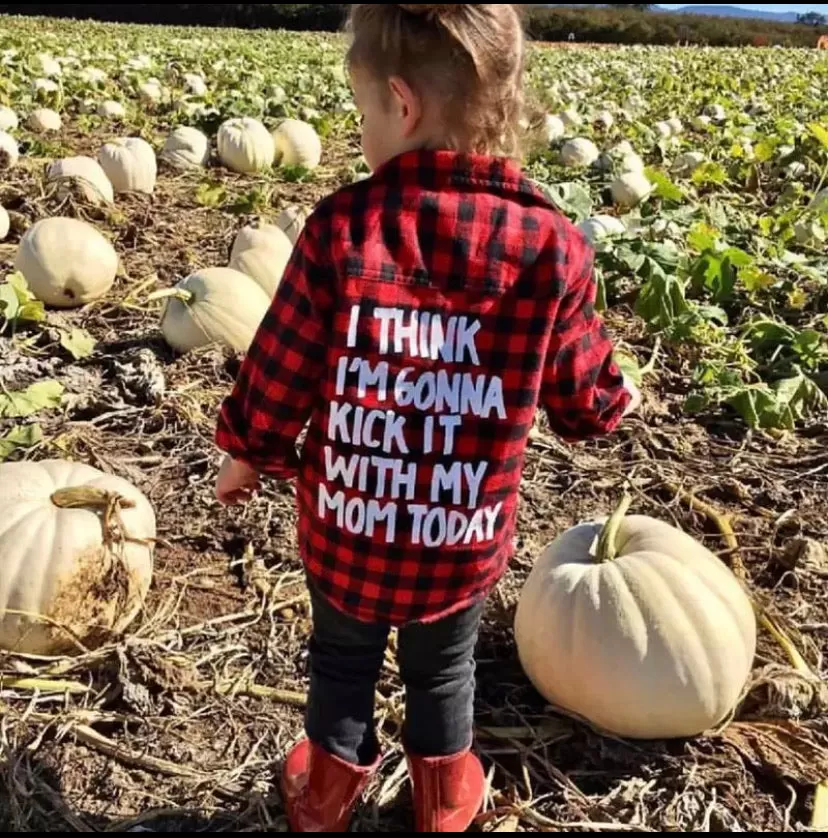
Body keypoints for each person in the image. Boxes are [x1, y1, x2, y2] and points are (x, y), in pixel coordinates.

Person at [215, 3, 641, 832]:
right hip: (458, 540)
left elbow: (281, 368)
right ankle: (443, 798)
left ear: (401, 105)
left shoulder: (342, 227)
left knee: (339, 657)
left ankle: (327, 792)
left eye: (364, 112)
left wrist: (246, 451)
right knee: (443, 674)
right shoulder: (553, 247)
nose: (364, 130)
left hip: (347, 528)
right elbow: (583, 401)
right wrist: (615, 401)